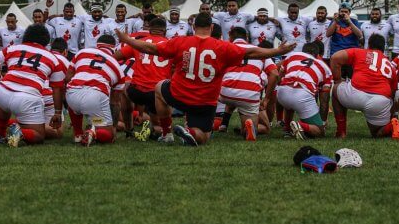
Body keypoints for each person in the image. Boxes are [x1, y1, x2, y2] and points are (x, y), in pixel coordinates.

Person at [115, 12, 295, 146]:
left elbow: (150, 49)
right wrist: (277, 51)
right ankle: (191, 132)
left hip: (179, 94)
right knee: (204, 137)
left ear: (193, 28)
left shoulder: (180, 42)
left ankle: (167, 132)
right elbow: (251, 52)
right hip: (205, 101)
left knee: (159, 88)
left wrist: (127, 40)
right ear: (210, 27)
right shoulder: (223, 46)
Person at [0, 24, 65, 147]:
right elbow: (57, 88)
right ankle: (20, 133)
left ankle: (1, 135)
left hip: (3, 91)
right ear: (46, 39)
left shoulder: (13, 48)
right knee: (39, 135)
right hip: (27, 96)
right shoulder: (53, 58)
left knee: (4, 101)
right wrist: (58, 112)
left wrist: (1, 80)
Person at [331, 34, 399, 139]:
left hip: (355, 94)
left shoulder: (360, 51)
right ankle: (391, 126)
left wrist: (337, 80)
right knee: (377, 133)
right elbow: (393, 92)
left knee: (336, 89)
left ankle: (341, 132)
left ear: (369, 45)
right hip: (379, 100)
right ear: (384, 48)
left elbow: (335, 57)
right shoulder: (390, 65)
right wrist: (391, 114)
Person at [116, 17, 172, 141]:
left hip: (137, 92)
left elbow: (116, 57)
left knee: (125, 87)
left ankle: (129, 129)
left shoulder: (139, 43)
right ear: (165, 31)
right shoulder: (171, 44)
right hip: (158, 93)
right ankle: (160, 130)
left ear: (149, 30)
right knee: (158, 124)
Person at [218, 27, 278, 141]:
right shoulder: (259, 50)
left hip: (225, 93)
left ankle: (213, 125)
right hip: (249, 94)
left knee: (223, 95)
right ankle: (247, 129)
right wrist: (266, 99)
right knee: (264, 127)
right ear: (246, 37)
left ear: (230, 37)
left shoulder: (224, 49)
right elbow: (274, 74)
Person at [65, 34, 125, 147]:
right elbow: (115, 103)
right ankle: (93, 132)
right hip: (95, 95)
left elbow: (68, 78)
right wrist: (114, 127)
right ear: (114, 48)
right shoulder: (117, 66)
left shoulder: (82, 52)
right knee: (108, 134)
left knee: (76, 104)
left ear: (97, 45)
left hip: (72, 93)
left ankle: (78, 134)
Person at [276, 42, 332, 139]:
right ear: (318, 55)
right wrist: (322, 123)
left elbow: (279, 73)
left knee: (289, 102)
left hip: (282, 92)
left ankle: (287, 129)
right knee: (319, 131)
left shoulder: (293, 55)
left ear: (303, 51)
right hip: (302, 94)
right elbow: (324, 101)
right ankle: (300, 125)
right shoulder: (325, 67)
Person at [46, 38, 70, 140]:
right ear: (65, 51)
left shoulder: (44, 55)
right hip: (50, 98)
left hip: (31, 94)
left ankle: (15, 125)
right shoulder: (66, 62)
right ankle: (21, 127)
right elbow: (64, 88)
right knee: (57, 132)